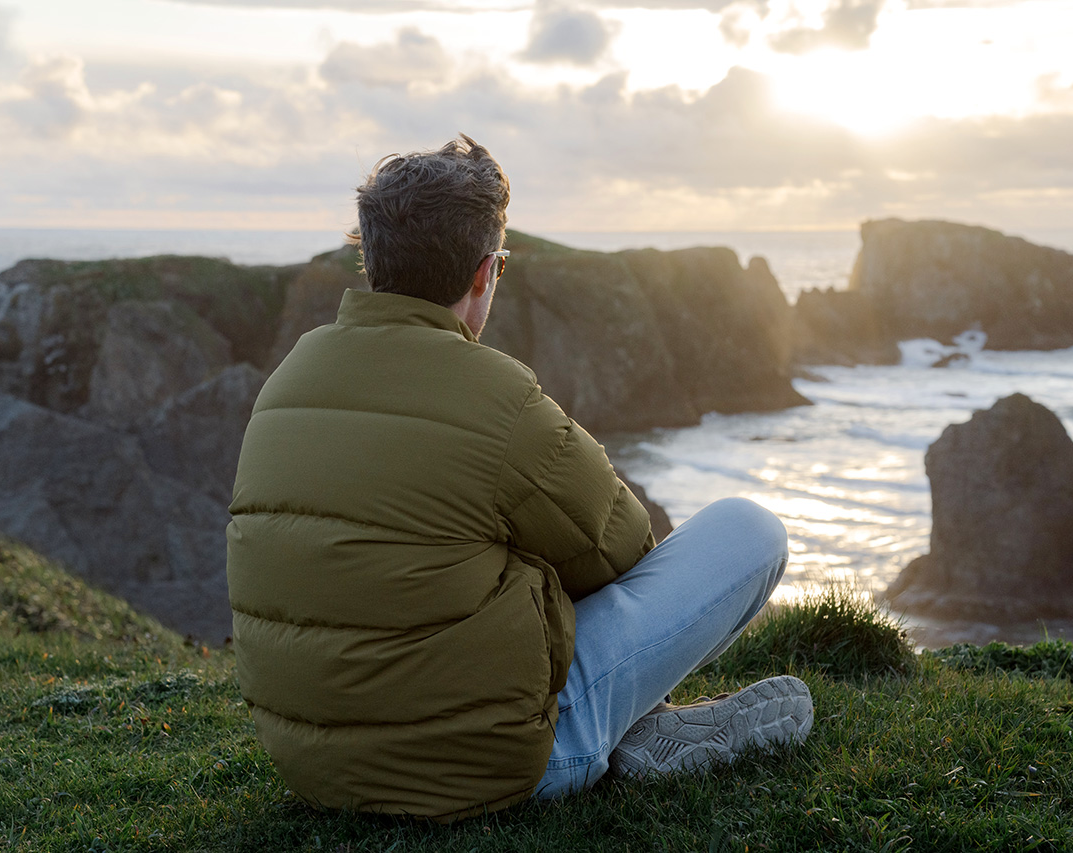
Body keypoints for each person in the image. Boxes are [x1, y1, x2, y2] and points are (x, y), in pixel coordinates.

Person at [225, 134, 813, 822]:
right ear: (483, 273)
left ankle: (631, 730)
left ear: (374, 260)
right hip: (493, 769)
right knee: (751, 530)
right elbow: (621, 544)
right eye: (500, 265)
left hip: (313, 767)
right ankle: (607, 735)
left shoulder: (287, 380)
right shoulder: (493, 393)